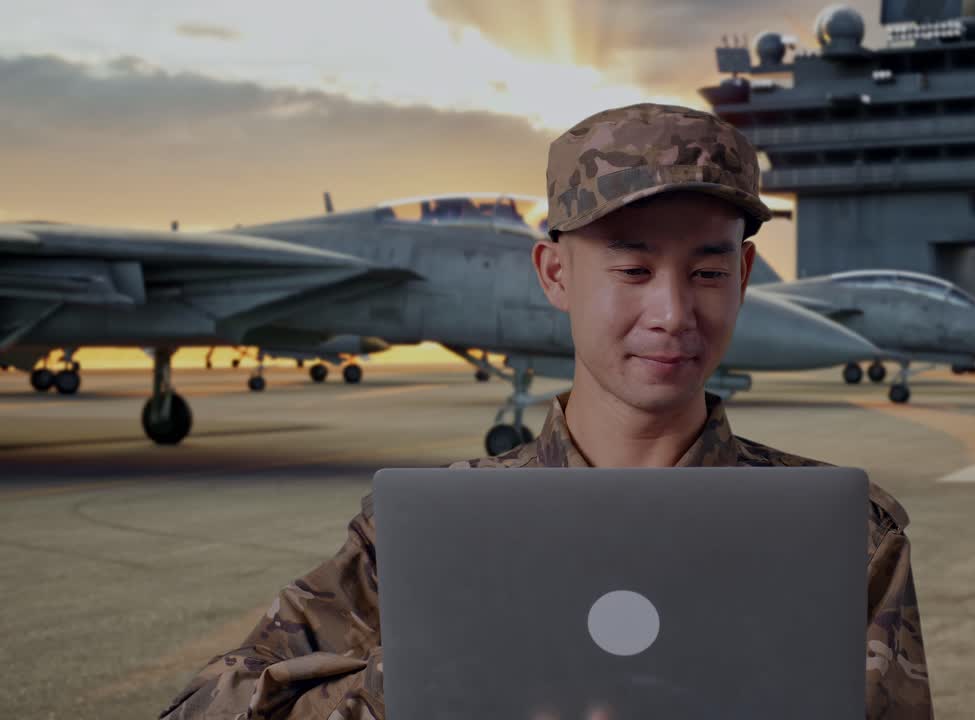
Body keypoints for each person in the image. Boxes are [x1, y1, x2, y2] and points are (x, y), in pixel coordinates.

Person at [160, 103, 933, 719]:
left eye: (707, 269)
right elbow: (206, 708)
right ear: (555, 274)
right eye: (631, 268)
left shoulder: (844, 537)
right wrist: (420, 685)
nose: (671, 312)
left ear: (744, 275)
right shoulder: (431, 537)